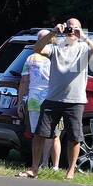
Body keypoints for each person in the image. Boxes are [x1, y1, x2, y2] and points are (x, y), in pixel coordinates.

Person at [34, 17, 93, 180]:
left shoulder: (83, 48)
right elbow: (37, 49)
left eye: (75, 28)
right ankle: (34, 169)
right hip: (53, 99)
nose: (71, 30)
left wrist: (84, 37)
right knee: (40, 133)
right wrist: (52, 32)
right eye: (69, 27)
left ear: (80, 30)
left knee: (74, 137)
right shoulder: (56, 46)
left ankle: (70, 171)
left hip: (76, 100)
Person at [17, 29, 61, 178]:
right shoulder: (57, 56)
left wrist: (20, 102)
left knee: (38, 133)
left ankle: (41, 165)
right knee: (53, 134)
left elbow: (24, 82)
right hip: (51, 98)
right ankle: (52, 166)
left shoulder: (30, 58)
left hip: (36, 98)